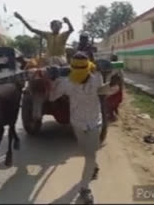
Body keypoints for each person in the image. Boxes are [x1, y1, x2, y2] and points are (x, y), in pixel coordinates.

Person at [48, 52, 120, 204]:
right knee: (87, 152)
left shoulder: (93, 79)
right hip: (78, 123)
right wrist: (53, 81)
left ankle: (84, 188)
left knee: (90, 155)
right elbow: (52, 97)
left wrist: (114, 82)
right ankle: (92, 167)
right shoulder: (67, 82)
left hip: (94, 123)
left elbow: (105, 91)